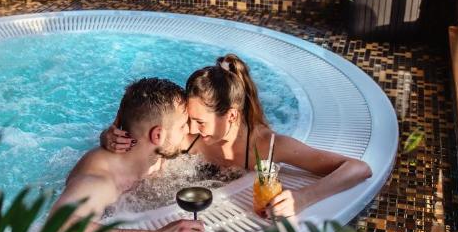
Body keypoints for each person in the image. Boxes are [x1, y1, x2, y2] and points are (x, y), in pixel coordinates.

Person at [102, 54, 372, 219]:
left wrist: (303, 198)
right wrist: (110, 137)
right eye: (188, 121)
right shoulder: (192, 137)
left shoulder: (265, 145)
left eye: (199, 122)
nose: (191, 129)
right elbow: (144, 125)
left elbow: (358, 168)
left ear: (231, 116)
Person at [49, 77, 207, 232]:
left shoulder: (158, 154)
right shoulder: (100, 181)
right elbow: (58, 230)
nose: (190, 130)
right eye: (183, 126)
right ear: (157, 136)